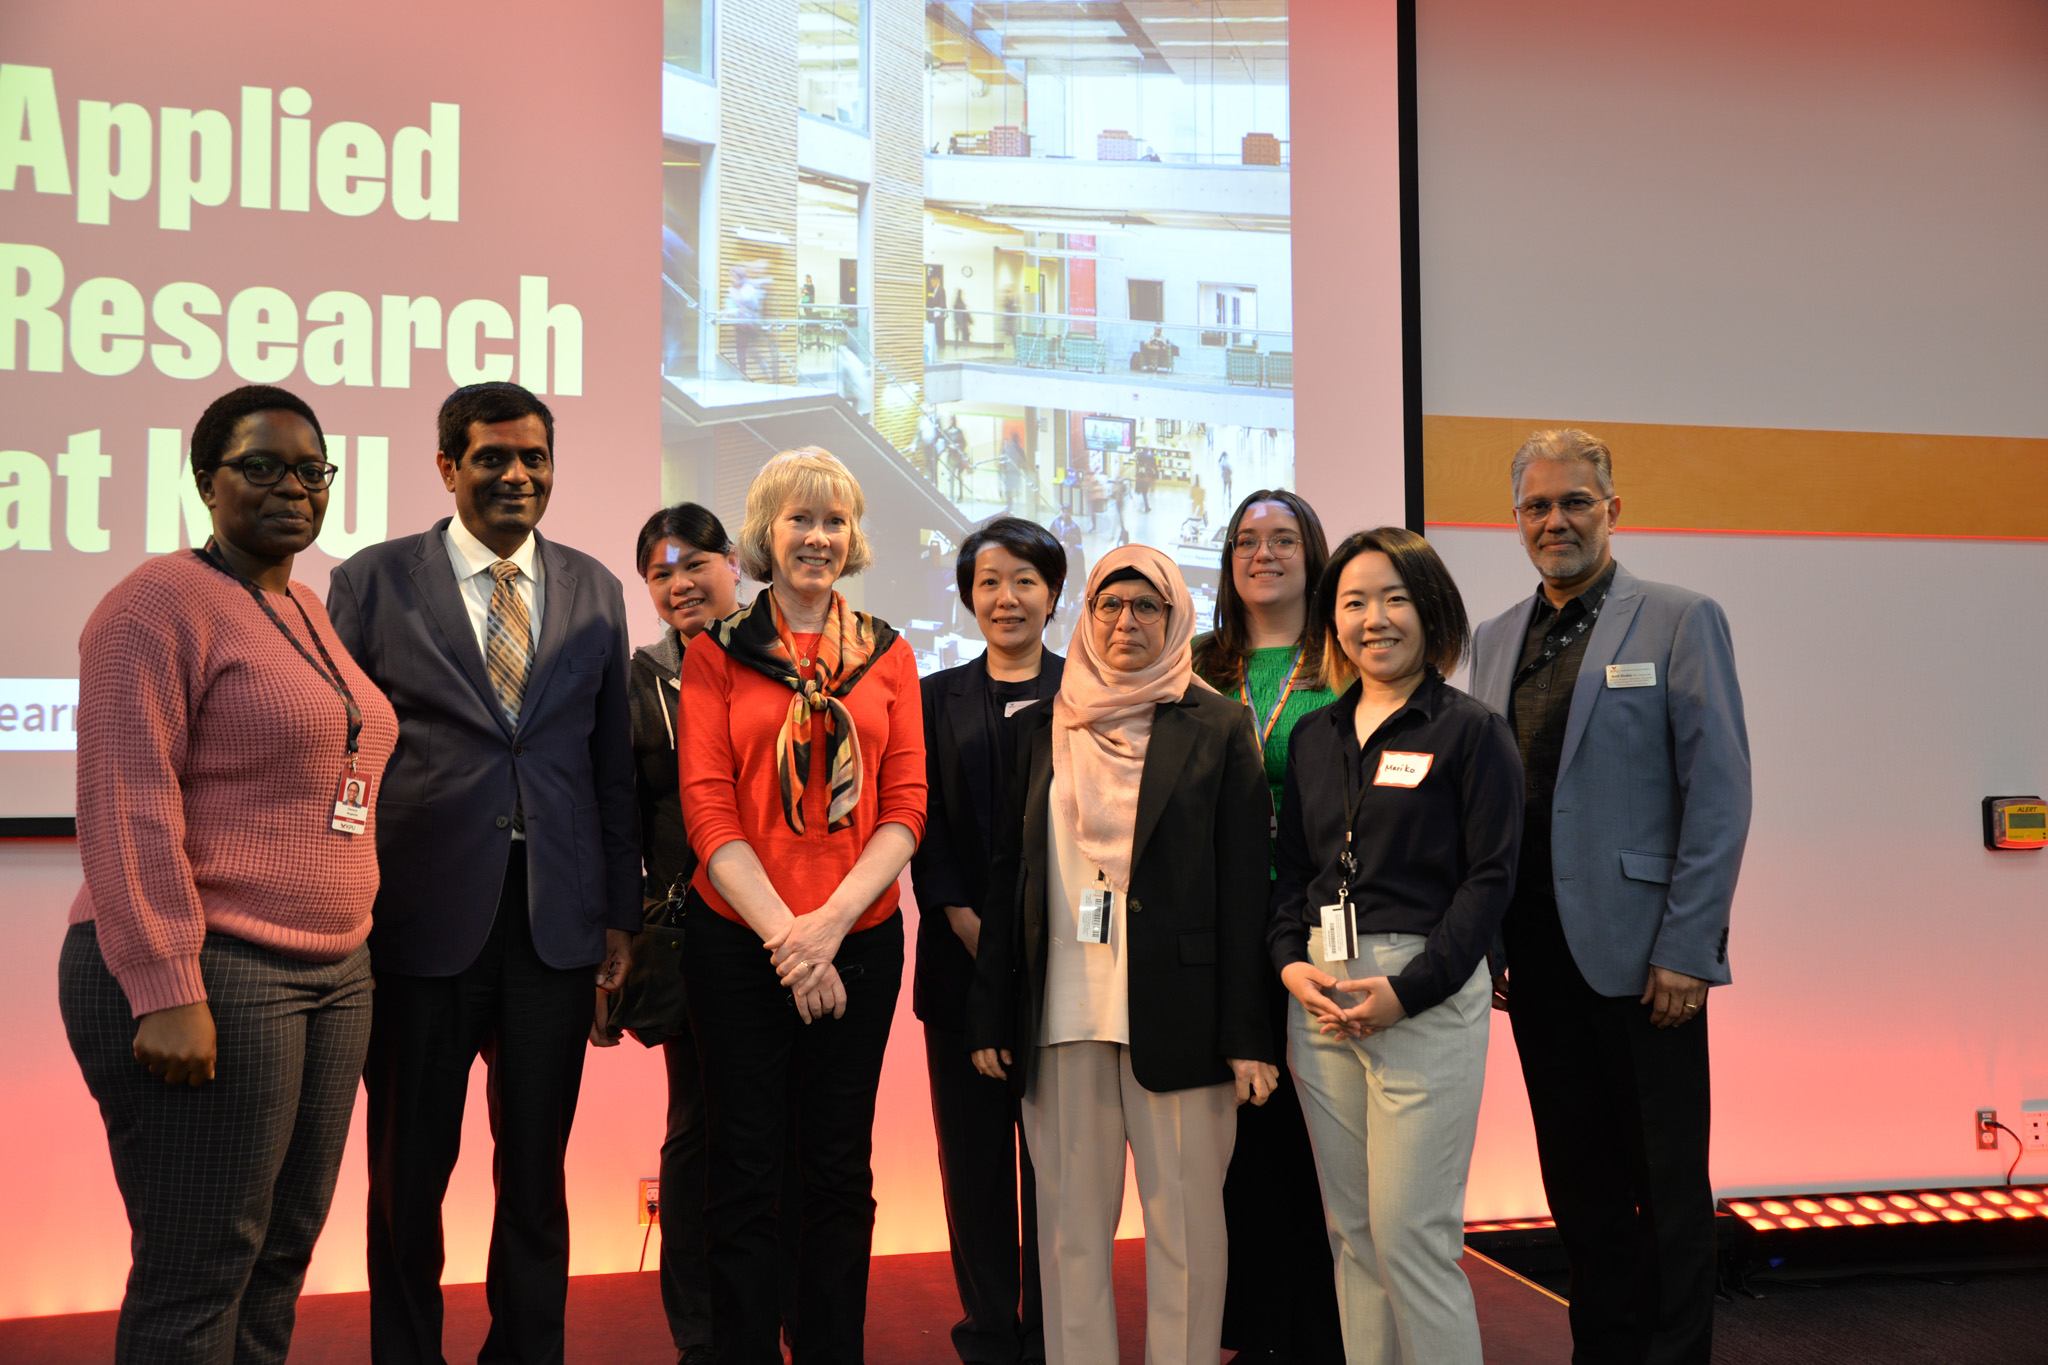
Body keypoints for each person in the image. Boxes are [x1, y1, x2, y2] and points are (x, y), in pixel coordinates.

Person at [61, 384, 400, 1365]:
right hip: (215, 972)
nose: (291, 488)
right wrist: (165, 986)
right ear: (207, 481)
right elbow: (126, 802)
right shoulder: (157, 602)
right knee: (201, 1268)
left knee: (278, 1259)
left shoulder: (299, 605)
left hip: (333, 976)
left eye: (310, 471)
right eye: (261, 467)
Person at [328, 381, 642, 1364]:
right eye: (494, 458)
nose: (517, 475)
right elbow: (339, 754)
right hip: (418, 924)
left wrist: (617, 919)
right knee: (407, 1176)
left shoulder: (593, 585)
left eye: (534, 458)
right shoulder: (374, 582)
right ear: (447, 468)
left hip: (554, 926)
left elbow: (608, 765)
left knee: (537, 1177)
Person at [1467, 429, 1750, 1365]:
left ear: (1613, 509)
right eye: (1538, 506)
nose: (1557, 520)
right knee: (1579, 1190)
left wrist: (1689, 948)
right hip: (1536, 964)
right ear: (1517, 521)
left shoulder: (1679, 617)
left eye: (1575, 501)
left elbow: (1719, 793)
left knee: (1666, 1192)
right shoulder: (1497, 636)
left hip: (1645, 962)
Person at [968, 545, 1278, 1365]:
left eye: (1148, 607)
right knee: (1070, 1233)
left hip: (1184, 1021)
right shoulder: (1046, 724)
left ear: (1176, 618)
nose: (1126, 622)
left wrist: (1251, 1034)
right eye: (1110, 605)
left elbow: (1248, 889)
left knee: (1186, 1231)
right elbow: (1011, 877)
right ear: (1088, 616)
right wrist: (992, 1009)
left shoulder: (1215, 723)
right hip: (1062, 1013)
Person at [678, 446, 928, 1365]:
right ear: (765, 534)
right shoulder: (714, 654)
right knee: (742, 1170)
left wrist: (825, 931)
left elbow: (905, 809)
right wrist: (789, 937)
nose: (818, 537)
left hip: (856, 937)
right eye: (799, 519)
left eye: (834, 520)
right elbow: (707, 810)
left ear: (853, 536)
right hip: (741, 943)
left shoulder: (890, 654)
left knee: (835, 1169)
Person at [1272, 528, 1523, 1365]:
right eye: (1352, 602)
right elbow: (1296, 873)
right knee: (1353, 1237)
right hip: (1320, 999)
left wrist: (1408, 991)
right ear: (1331, 620)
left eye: (1393, 598)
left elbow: (1489, 883)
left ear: (1431, 608)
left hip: (1424, 998)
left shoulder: (1471, 731)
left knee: (1412, 1239)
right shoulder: (1315, 736)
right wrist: (1289, 961)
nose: (1373, 618)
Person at [912, 518, 1071, 1365]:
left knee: (1058, 1162)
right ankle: (988, 1332)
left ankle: (1056, 1331)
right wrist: (973, 927)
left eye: (1025, 581)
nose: (1006, 598)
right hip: (960, 965)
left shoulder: (1087, 689)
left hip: (1068, 971)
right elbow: (920, 825)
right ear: (968, 594)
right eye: (988, 582)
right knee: (972, 1166)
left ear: (1053, 593)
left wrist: (1033, 940)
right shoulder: (930, 695)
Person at [1191, 492, 1344, 1365]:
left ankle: (1321, 1332)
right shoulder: (1200, 663)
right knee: (1240, 1137)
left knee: (1315, 1134)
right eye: (1247, 541)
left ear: (1312, 555)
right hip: (1219, 921)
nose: (1264, 554)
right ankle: (1250, 1327)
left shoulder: (1345, 659)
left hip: (1321, 917)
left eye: (1283, 539)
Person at [616, 503, 746, 1365]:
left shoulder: (786, 660)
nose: (678, 584)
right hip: (693, 940)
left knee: (795, 1133)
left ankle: (784, 1314)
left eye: (694, 563)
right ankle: (703, 1335)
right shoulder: (638, 678)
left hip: (791, 933)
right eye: (659, 574)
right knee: (698, 1132)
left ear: (734, 562)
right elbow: (621, 811)